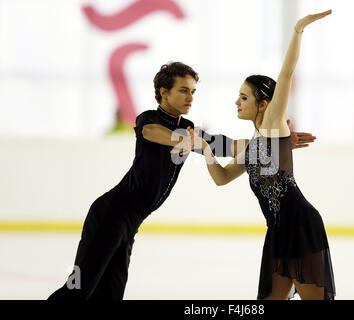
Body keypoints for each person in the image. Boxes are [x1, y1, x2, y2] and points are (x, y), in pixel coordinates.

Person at [48, 62, 316, 300]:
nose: (190, 97)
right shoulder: (150, 119)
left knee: (111, 294)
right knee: (78, 290)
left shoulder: (188, 127)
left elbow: (228, 145)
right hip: (109, 214)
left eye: (193, 91)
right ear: (164, 92)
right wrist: (185, 140)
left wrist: (276, 143)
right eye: (183, 90)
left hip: (129, 223)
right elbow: (152, 133)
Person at [192, 11, 336, 300]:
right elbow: (221, 178)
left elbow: (285, 75)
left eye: (244, 97)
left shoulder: (273, 126)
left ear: (264, 105)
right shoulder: (252, 146)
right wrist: (205, 150)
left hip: (301, 225)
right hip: (277, 232)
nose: (237, 101)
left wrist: (297, 31)